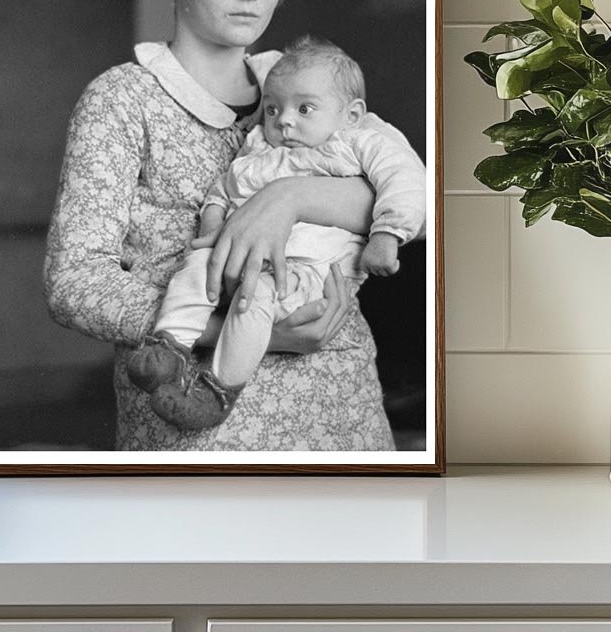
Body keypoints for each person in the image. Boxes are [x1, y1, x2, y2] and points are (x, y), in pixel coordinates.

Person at [44, 0, 396, 451]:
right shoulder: (123, 99)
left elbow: (398, 191)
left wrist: (293, 196)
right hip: (205, 428)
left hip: (345, 407)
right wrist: (239, 331)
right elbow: (73, 281)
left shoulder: (306, 85)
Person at [127, 34, 427, 431]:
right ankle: (169, 346)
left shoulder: (357, 143)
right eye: (272, 108)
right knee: (197, 265)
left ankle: (217, 390)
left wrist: (387, 234)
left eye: (304, 108)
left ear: (350, 114)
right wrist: (213, 223)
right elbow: (226, 187)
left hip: (303, 274)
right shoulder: (261, 150)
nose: (284, 119)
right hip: (235, 257)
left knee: (256, 297)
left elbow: (407, 181)